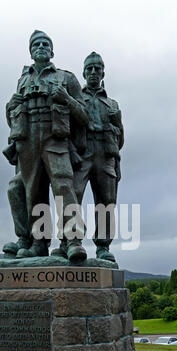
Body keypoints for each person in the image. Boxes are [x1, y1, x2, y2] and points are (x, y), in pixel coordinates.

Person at [3, 30, 89, 262]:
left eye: (45, 44)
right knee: (33, 192)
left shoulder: (66, 78)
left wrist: (67, 99)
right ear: (31, 51)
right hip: (29, 141)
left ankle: (72, 240)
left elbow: (85, 116)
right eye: (36, 44)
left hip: (56, 139)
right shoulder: (23, 80)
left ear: (52, 51)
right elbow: (13, 118)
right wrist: (9, 107)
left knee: (63, 187)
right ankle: (39, 243)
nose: (41, 47)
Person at [53, 52, 124, 262]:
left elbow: (121, 137)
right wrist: (72, 152)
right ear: (84, 73)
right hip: (82, 153)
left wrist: (117, 123)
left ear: (103, 73)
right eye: (89, 69)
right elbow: (64, 129)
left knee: (106, 202)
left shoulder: (112, 104)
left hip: (106, 154)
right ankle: (68, 241)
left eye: (97, 69)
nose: (93, 72)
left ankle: (103, 246)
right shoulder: (77, 98)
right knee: (71, 196)